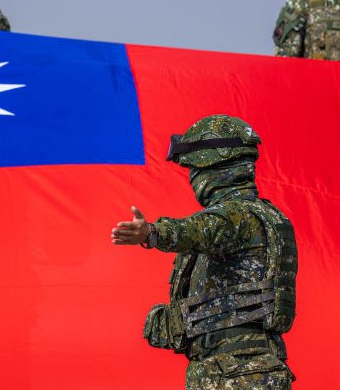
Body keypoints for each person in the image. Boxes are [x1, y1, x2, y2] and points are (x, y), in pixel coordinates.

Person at [111, 115, 297, 389]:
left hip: (237, 372)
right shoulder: (259, 215)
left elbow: (201, 229)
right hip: (234, 367)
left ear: (209, 166)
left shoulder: (239, 216)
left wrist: (152, 233)